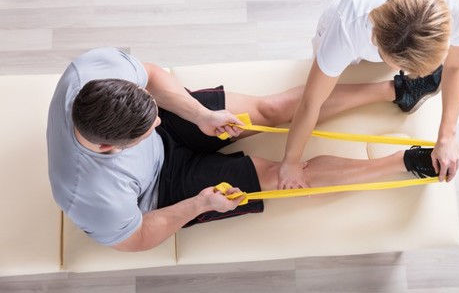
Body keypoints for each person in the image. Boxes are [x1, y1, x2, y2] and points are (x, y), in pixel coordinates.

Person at [47, 47, 438, 252]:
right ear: (105, 146)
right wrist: (199, 205)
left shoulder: (94, 72)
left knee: (270, 109)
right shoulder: (91, 196)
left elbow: (149, 74)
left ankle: (399, 90)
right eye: (147, 129)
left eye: (154, 117)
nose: (158, 125)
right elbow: (135, 239)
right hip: (163, 189)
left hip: (179, 123)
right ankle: (408, 161)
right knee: (281, 176)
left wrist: (200, 115)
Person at [278, 0, 459, 189]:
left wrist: (448, 134)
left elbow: (456, 66)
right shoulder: (345, 30)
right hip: (349, 36)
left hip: (396, 38)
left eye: (402, 68)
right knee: (312, 98)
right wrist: (290, 161)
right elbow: (310, 103)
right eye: (388, 60)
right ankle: (401, 89)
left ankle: (403, 90)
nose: (394, 69)